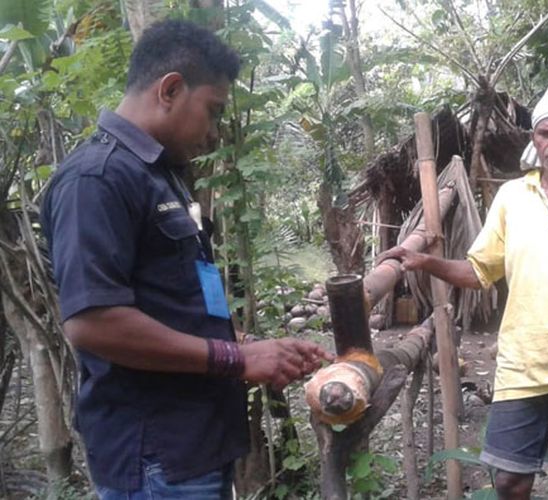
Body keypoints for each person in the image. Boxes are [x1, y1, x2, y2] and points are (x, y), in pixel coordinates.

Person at [41, 20, 333, 499]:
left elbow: (170, 303)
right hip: (156, 458)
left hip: (195, 446)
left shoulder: (162, 176)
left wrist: (251, 344)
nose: (214, 131)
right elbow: (93, 322)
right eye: (212, 111)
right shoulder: (96, 180)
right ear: (171, 89)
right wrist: (234, 358)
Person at [380, 85, 548, 500]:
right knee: (509, 480)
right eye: (545, 134)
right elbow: (479, 271)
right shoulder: (512, 197)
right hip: (522, 364)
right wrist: (426, 262)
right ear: (534, 140)